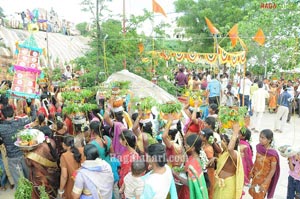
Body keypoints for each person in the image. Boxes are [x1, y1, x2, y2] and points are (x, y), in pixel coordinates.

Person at [0, 105, 34, 187]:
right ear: (14, 113)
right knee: (29, 178)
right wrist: (32, 107)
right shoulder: (20, 122)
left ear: (3, 116)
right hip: (23, 154)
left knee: (19, 184)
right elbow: (33, 117)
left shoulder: (1, 128)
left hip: (12, 158)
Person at [213, 123, 244, 199]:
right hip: (219, 184)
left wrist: (235, 132)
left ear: (228, 143)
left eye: (223, 141)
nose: (221, 142)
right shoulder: (224, 152)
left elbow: (230, 148)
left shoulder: (234, 154)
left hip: (228, 185)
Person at [173, 134, 209, 199]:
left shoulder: (193, 164)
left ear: (193, 148)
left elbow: (190, 184)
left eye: (186, 145)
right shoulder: (196, 157)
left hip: (192, 193)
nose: (185, 146)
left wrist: (176, 174)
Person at [26, 134, 60, 199]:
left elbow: (29, 164)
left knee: (41, 193)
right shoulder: (52, 142)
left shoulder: (38, 148)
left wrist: (26, 153)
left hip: (39, 177)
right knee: (51, 192)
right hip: (52, 175)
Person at [249, 129, 280, 199]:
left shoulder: (272, 154)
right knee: (254, 194)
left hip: (264, 179)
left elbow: (273, 170)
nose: (260, 139)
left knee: (259, 195)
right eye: (260, 137)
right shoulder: (259, 148)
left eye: (263, 138)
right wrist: (251, 172)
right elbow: (256, 161)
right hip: (256, 176)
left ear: (269, 140)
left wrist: (265, 183)